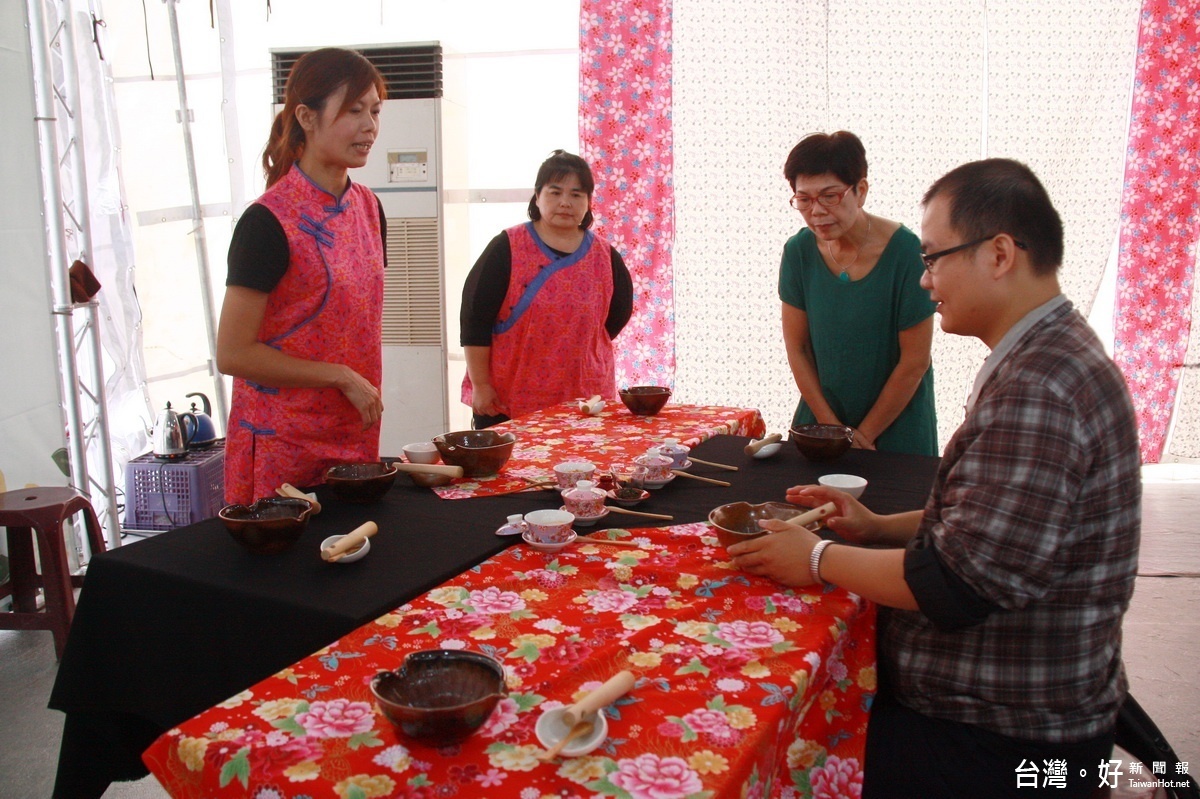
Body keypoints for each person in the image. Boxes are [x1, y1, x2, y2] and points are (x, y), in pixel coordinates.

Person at [732, 159, 1141, 798]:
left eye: (933, 259)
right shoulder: (1044, 354)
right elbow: (994, 526)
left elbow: (955, 582)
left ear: (1000, 254)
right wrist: (876, 525)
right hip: (1012, 704)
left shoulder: (1040, 389)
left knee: (774, 748)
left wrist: (816, 557)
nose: (925, 281)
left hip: (1003, 734)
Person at [216, 48, 387, 504]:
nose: (370, 126)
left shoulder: (369, 208)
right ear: (306, 117)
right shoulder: (268, 222)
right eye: (354, 111)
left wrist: (349, 383)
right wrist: (340, 376)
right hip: (280, 441)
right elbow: (233, 353)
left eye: (374, 111)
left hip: (352, 431)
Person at [779, 131, 937, 455]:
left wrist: (863, 436)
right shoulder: (798, 252)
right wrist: (832, 430)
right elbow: (797, 348)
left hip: (898, 430)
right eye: (804, 199)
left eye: (830, 196)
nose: (816, 211)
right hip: (822, 427)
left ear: (860, 190)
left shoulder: (906, 252)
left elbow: (915, 361)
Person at [459, 150, 633, 429]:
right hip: (508, 398)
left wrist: (578, 344)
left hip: (585, 397)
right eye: (555, 192)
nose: (565, 202)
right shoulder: (507, 247)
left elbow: (617, 316)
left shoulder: (605, 255)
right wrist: (481, 385)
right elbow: (474, 320)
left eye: (577, 194)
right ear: (537, 196)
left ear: (588, 202)